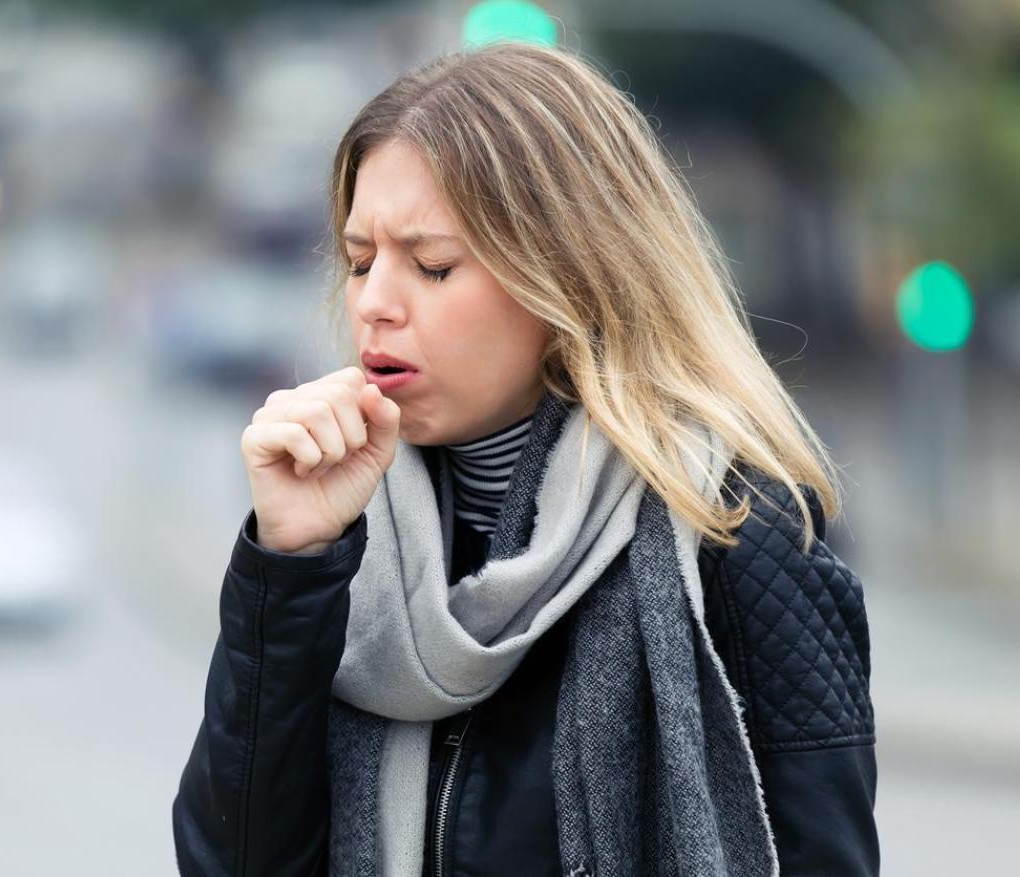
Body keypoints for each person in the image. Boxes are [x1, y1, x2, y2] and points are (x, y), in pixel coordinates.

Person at [172, 41, 878, 877]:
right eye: (361, 262)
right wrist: (289, 565)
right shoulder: (340, 539)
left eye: (432, 266)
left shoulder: (739, 537)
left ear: (568, 275)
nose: (374, 304)